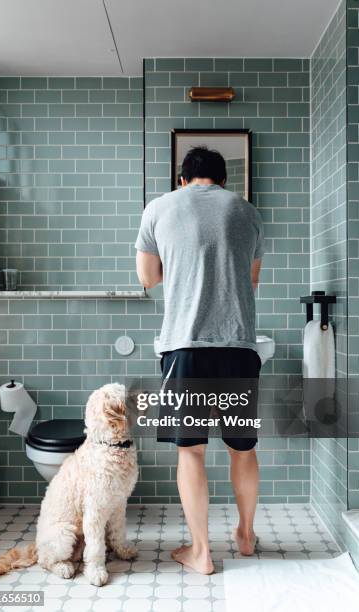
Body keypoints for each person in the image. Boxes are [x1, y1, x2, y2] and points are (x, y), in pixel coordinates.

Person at [135, 146, 264, 574]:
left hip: (185, 348)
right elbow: (252, 279)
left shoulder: (159, 208)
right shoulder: (247, 212)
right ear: (223, 180)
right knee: (242, 451)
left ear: (183, 178)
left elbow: (148, 278)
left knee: (190, 452)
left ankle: (202, 553)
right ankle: (245, 535)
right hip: (239, 347)